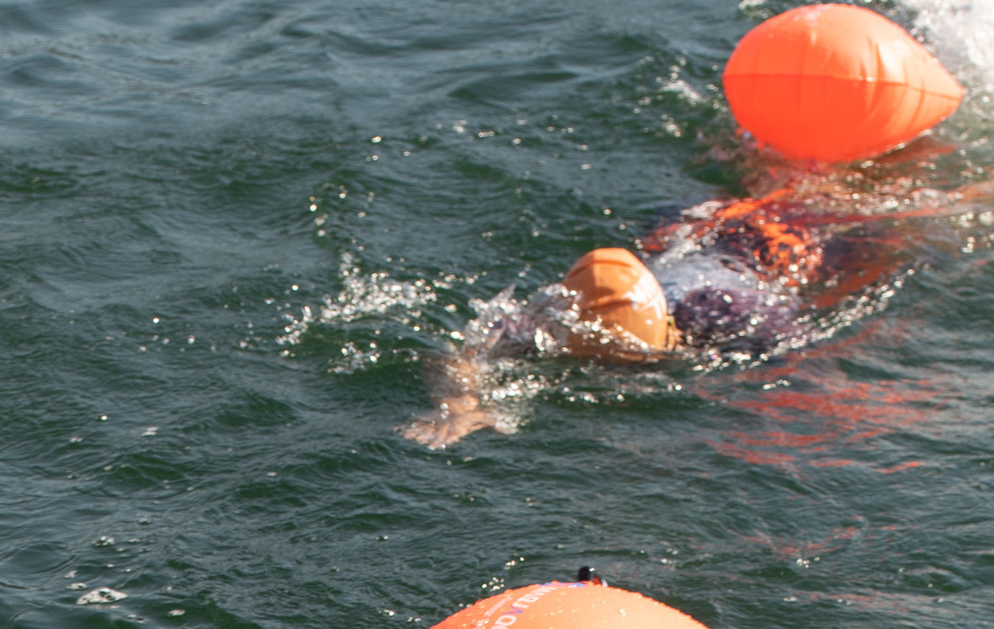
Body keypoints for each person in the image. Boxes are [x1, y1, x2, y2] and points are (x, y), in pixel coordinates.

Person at [402, 183, 943, 448]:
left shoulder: (738, 316)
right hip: (686, 240)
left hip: (777, 249)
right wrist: (461, 408)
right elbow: (462, 353)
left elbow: (810, 364)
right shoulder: (553, 317)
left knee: (900, 229)